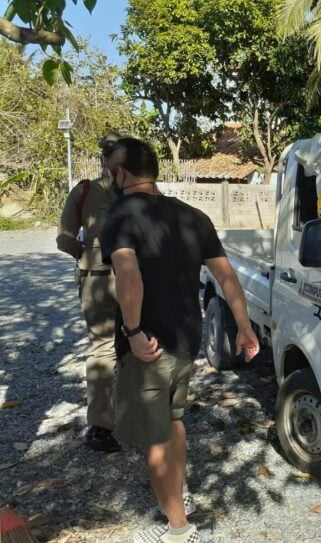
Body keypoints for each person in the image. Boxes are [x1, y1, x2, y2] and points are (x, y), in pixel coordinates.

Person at [100, 137, 260, 543]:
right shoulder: (193, 216)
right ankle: (177, 497)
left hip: (149, 345)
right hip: (187, 339)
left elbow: (128, 274)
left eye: (111, 171)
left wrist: (133, 332)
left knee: (155, 438)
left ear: (121, 173)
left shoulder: (118, 213)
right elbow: (227, 277)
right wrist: (245, 327)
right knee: (173, 421)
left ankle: (177, 529)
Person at [56, 131, 123, 453]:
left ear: (102, 159)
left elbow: (63, 239)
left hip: (95, 280)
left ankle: (100, 427)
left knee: (102, 349)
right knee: (140, 342)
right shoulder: (139, 191)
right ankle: (146, 418)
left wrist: (85, 253)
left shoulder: (84, 191)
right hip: (135, 279)